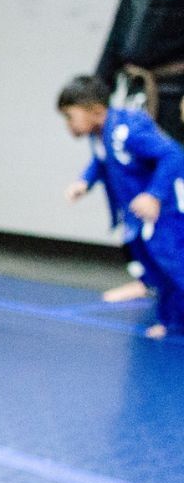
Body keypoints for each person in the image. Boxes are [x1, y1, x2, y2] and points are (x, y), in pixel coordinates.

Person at [94, 0, 184, 302]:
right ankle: (149, 271)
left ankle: (173, 275)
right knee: (131, 176)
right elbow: (121, 26)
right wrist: (100, 86)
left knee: (173, 182)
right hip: (136, 87)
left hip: (175, 90)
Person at [59, 75, 184, 339]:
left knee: (174, 263)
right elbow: (101, 162)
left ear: (95, 110)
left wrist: (154, 195)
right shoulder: (100, 135)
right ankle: (171, 319)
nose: (68, 125)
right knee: (155, 268)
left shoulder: (127, 129)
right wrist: (85, 181)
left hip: (163, 212)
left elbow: (172, 153)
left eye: (70, 116)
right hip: (137, 215)